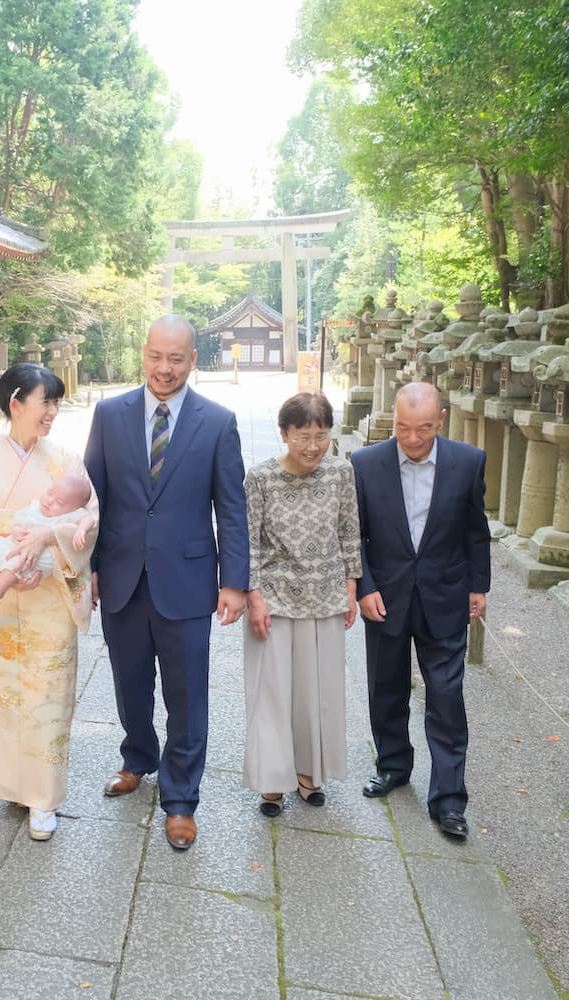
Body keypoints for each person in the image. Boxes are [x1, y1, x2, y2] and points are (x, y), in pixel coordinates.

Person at [84, 314, 250, 850]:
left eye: (176, 358)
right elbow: (92, 498)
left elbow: (231, 507)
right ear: (143, 353)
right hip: (122, 575)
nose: (164, 368)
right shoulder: (109, 415)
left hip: (188, 578)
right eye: (156, 356)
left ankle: (181, 798)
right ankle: (137, 758)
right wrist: (87, 568)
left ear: (193, 360)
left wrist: (235, 581)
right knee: (129, 683)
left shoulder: (217, 422)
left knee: (186, 693)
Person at [0, 363, 98, 842]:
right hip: (1, 590)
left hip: (50, 596)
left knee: (48, 698)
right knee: (6, 698)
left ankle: (44, 798)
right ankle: (14, 785)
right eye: (44, 402)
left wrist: (47, 541)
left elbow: (89, 523)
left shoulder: (67, 462)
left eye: (55, 402)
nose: (52, 412)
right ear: (16, 403)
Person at [351, 381, 490, 839]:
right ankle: (393, 765)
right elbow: (356, 537)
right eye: (404, 428)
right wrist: (363, 588)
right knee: (386, 688)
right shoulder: (365, 464)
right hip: (386, 596)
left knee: (446, 697)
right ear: (393, 418)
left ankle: (449, 799)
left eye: (424, 429)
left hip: (446, 594)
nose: (412, 439)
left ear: (441, 420)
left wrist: (478, 586)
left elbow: (475, 529)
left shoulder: (467, 461)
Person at [243, 392, 361, 817]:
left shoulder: (341, 472)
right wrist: (253, 596)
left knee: (319, 691)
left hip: (326, 593)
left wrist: (350, 588)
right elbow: (248, 543)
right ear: (284, 434)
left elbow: (350, 531)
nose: (313, 446)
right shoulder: (259, 478)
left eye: (322, 435)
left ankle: (309, 773)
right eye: (303, 436)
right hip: (273, 596)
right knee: (273, 691)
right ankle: (272, 781)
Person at [0, 474, 96, 604]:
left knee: (18, 562)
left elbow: (89, 519)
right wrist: (16, 531)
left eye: (59, 502)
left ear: (75, 509)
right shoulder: (36, 507)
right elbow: (17, 523)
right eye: (49, 493)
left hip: (42, 560)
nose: (49, 501)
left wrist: (81, 530)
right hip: (13, 544)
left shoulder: (72, 513)